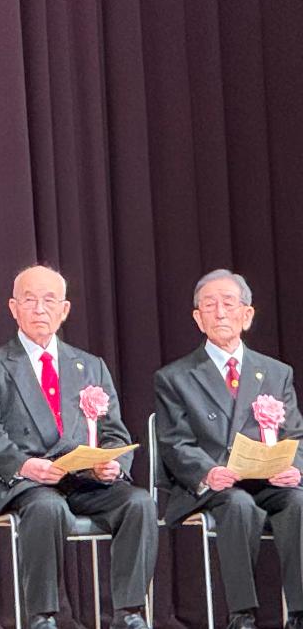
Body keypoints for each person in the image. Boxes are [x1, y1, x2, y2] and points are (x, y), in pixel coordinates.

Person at [0, 265, 156, 629]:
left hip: (86, 480)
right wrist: (24, 465)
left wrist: (114, 463)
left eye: (49, 300)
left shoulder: (90, 366)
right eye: (29, 300)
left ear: (65, 309)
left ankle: (129, 613)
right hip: (27, 483)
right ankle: (44, 616)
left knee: (139, 502)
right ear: (13, 308)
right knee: (47, 508)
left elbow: (115, 433)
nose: (39, 309)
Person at [153, 269, 303, 629]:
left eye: (228, 304)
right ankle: (242, 614)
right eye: (210, 305)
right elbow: (176, 442)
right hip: (214, 485)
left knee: (298, 500)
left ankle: (298, 611)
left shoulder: (275, 372)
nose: (220, 312)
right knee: (238, 504)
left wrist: (295, 465)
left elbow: (295, 433)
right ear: (197, 317)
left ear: (247, 314)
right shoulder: (175, 377)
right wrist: (208, 471)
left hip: (268, 480)